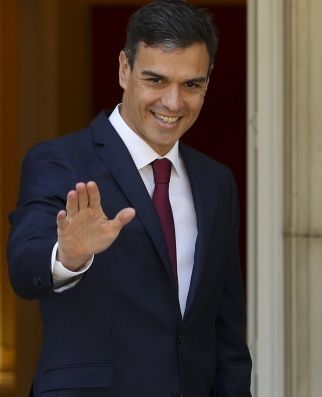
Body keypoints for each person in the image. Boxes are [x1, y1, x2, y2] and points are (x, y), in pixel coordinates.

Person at [7, 1, 252, 396]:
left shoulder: (215, 182)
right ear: (124, 69)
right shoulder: (60, 161)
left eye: (192, 85)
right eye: (156, 80)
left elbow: (226, 329)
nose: (173, 103)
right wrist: (68, 256)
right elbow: (24, 266)